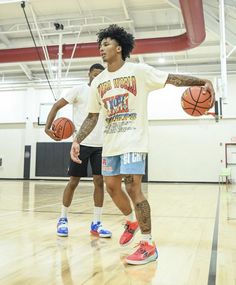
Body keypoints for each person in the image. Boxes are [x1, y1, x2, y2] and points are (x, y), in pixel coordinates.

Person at [70, 25, 215, 265]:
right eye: (100, 45)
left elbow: (172, 79)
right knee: (111, 187)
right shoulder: (98, 83)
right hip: (111, 143)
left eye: (106, 44)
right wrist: (77, 140)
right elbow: (93, 116)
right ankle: (132, 220)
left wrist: (202, 80)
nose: (101, 48)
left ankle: (148, 244)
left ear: (119, 48)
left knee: (132, 187)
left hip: (133, 139)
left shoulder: (139, 71)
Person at [45, 63, 112, 238]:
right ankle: (63, 219)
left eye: (100, 75)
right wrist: (47, 127)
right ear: (88, 74)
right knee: (73, 181)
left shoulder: (106, 94)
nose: (96, 77)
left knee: (99, 182)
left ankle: (96, 223)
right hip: (80, 143)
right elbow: (56, 106)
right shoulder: (79, 90)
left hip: (101, 145)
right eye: (94, 74)